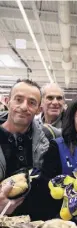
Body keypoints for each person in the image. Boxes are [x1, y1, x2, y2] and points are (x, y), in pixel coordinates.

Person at [0, 79, 49, 214]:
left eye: (31, 102)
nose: (23, 106)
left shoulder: (47, 136)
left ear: (39, 110)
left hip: (35, 224)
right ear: (7, 101)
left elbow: (74, 131)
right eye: (18, 99)